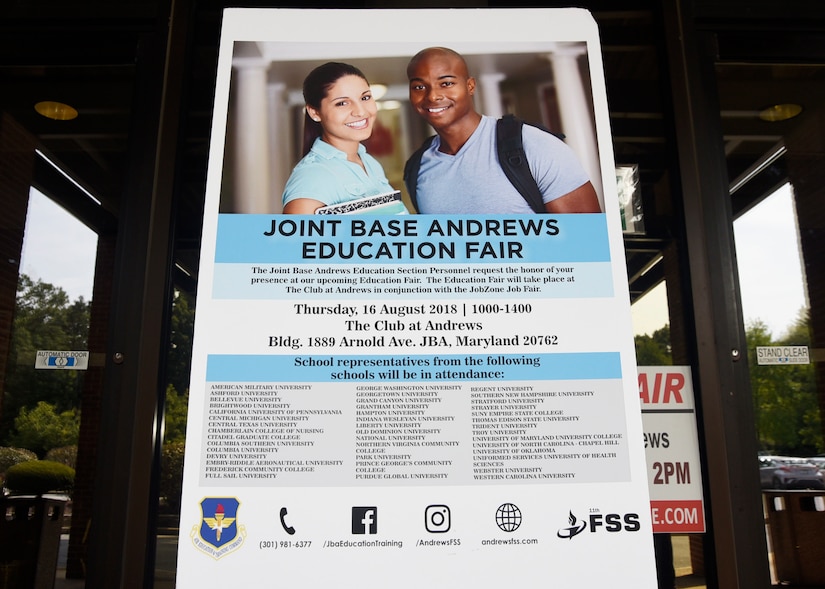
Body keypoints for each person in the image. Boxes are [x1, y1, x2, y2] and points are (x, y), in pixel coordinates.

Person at [405, 47, 601, 214]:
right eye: (419, 87)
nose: (432, 96)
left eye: (446, 83)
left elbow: (589, 241)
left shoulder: (535, 145)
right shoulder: (418, 166)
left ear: (470, 86)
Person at [282, 62, 396, 214]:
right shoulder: (312, 177)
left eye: (365, 97)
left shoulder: (370, 163)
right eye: (342, 103)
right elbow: (295, 237)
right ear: (314, 112)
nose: (361, 111)